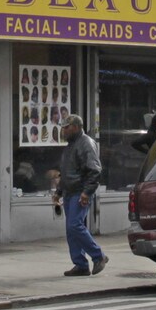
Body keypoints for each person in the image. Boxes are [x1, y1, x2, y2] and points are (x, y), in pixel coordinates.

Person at [54, 115, 106, 277]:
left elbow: (94, 170)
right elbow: (66, 173)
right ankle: (80, 264)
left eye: (66, 127)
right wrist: (59, 192)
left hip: (79, 192)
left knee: (74, 225)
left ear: (76, 127)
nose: (63, 130)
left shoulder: (86, 143)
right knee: (72, 230)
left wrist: (86, 192)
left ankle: (98, 256)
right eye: (63, 127)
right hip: (70, 192)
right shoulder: (70, 146)